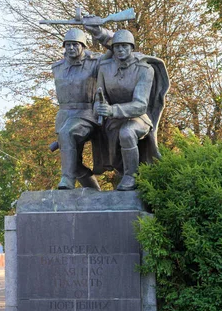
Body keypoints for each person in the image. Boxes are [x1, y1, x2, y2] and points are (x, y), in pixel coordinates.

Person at [94, 29, 169, 191]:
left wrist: (111, 110)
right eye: (117, 46)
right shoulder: (105, 68)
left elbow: (140, 105)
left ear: (132, 47)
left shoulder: (144, 69)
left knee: (127, 133)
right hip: (112, 120)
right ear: (112, 49)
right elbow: (99, 95)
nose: (120, 49)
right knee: (114, 158)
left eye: (125, 46)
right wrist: (98, 107)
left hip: (139, 118)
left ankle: (131, 176)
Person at [52, 27, 112, 190]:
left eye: (75, 44)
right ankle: (95, 193)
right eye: (68, 45)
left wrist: (101, 32)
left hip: (86, 113)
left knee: (67, 134)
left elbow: (117, 48)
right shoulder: (57, 67)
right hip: (64, 115)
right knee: (74, 163)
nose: (71, 48)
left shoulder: (95, 62)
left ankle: (67, 179)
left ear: (83, 46)